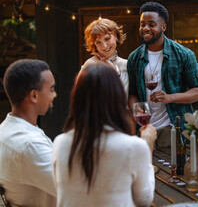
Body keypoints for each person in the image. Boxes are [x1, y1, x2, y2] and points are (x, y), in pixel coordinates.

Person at [52, 62, 156, 207]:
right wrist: (147, 143)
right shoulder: (134, 147)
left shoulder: (60, 143)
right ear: (118, 97)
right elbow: (143, 200)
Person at [127, 1, 198, 147]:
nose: (145, 28)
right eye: (142, 24)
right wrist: (137, 113)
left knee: (171, 169)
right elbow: (132, 94)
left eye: (151, 24)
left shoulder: (184, 55)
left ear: (163, 27)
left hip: (172, 128)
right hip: (144, 129)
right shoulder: (134, 58)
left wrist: (170, 98)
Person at [0, 59, 57, 206]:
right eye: (51, 89)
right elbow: (73, 189)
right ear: (34, 96)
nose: (55, 94)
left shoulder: (5, 129)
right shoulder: (29, 144)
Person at [83, 18, 129, 97]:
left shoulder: (127, 64)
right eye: (98, 42)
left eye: (107, 39)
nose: (104, 45)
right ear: (94, 45)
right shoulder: (90, 64)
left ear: (116, 36)